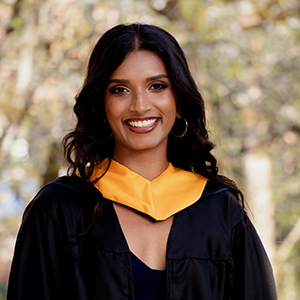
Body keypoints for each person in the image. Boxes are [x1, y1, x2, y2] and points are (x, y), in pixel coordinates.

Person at [7, 23, 277, 300]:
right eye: (120, 90)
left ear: (180, 101)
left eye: (157, 86)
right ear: (100, 105)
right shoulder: (58, 211)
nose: (140, 105)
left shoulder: (220, 212)